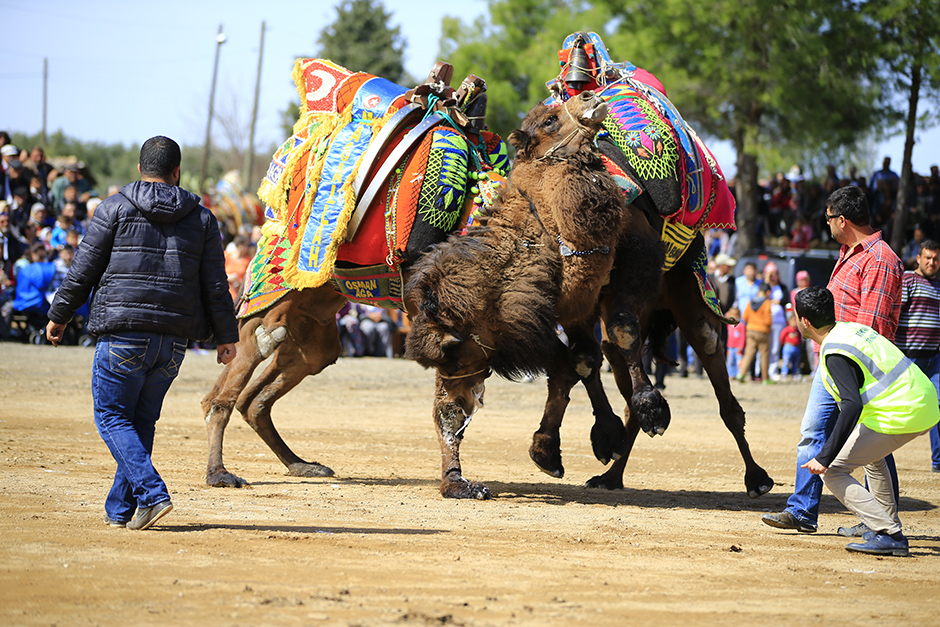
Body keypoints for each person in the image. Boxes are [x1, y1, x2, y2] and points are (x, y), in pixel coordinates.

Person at [45, 136, 239, 531]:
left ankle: (152, 494)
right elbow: (216, 285)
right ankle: (120, 511)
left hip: (123, 333)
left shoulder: (113, 208)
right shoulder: (202, 219)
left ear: (139, 169)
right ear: (177, 172)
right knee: (141, 421)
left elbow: (84, 268)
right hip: (173, 341)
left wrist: (59, 314)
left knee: (112, 417)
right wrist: (225, 336)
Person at [762, 184, 903, 534]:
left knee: (872, 447)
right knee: (812, 432)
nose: (825, 225)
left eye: (827, 219)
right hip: (833, 362)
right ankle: (802, 511)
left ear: (842, 219)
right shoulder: (848, 252)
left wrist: (851, 373)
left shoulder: (880, 259)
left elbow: (873, 327)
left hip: (857, 369)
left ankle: (880, 522)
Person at [794, 286, 939, 556]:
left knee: (834, 473)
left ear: (804, 321)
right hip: (923, 401)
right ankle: (887, 523)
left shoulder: (834, 351)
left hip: (904, 411)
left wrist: (824, 458)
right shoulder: (850, 330)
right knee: (873, 457)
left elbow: (851, 405)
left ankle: (889, 534)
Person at [893, 239, 940, 473]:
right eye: (928, 257)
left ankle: (938, 462)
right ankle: (877, 455)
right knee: (898, 408)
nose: (932, 262)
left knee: (939, 407)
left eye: (936, 259)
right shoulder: (909, 279)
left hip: (935, 359)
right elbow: (895, 313)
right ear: (919, 258)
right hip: (910, 357)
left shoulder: (939, 287)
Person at [736, 282, 773, 383]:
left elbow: (744, 317)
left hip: (751, 330)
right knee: (764, 355)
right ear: (768, 292)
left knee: (748, 353)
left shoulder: (750, 301)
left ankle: (741, 374)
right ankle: (765, 379)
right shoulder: (766, 303)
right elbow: (768, 320)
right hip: (763, 332)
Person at [779, 310, 802, 380]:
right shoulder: (787, 329)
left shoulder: (798, 330)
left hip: (796, 348)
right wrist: (784, 344)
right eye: (793, 321)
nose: (794, 323)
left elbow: (799, 338)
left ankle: (795, 373)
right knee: (786, 361)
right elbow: (782, 337)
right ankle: (784, 373)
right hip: (788, 347)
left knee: (795, 362)